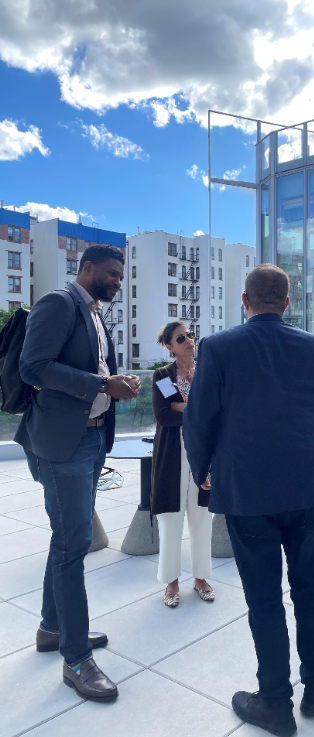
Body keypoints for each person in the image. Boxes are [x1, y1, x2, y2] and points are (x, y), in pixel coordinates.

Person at [183, 264, 314, 737]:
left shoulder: (218, 346)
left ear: (245, 301)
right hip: (306, 485)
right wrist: (301, 448)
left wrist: (203, 470)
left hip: (246, 489)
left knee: (264, 598)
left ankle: (274, 700)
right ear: (288, 303)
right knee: (310, 587)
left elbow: (199, 419)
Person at [16, 244, 141, 702]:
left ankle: (52, 629)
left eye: (121, 276)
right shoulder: (58, 302)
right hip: (62, 445)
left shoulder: (94, 312)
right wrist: (100, 384)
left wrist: (116, 380)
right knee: (73, 546)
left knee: (67, 540)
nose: (117, 281)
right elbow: (34, 367)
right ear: (85, 268)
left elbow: (91, 366)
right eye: (111, 273)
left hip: (89, 438)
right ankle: (75, 659)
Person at [151, 322, 213, 608]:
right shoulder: (163, 376)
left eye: (190, 335)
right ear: (169, 347)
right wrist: (196, 409)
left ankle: (201, 577)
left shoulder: (206, 372)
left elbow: (216, 412)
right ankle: (171, 581)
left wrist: (183, 406)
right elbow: (164, 416)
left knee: (202, 517)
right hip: (171, 455)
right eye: (180, 338)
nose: (188, 340)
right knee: (171, 520)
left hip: (202, 454)